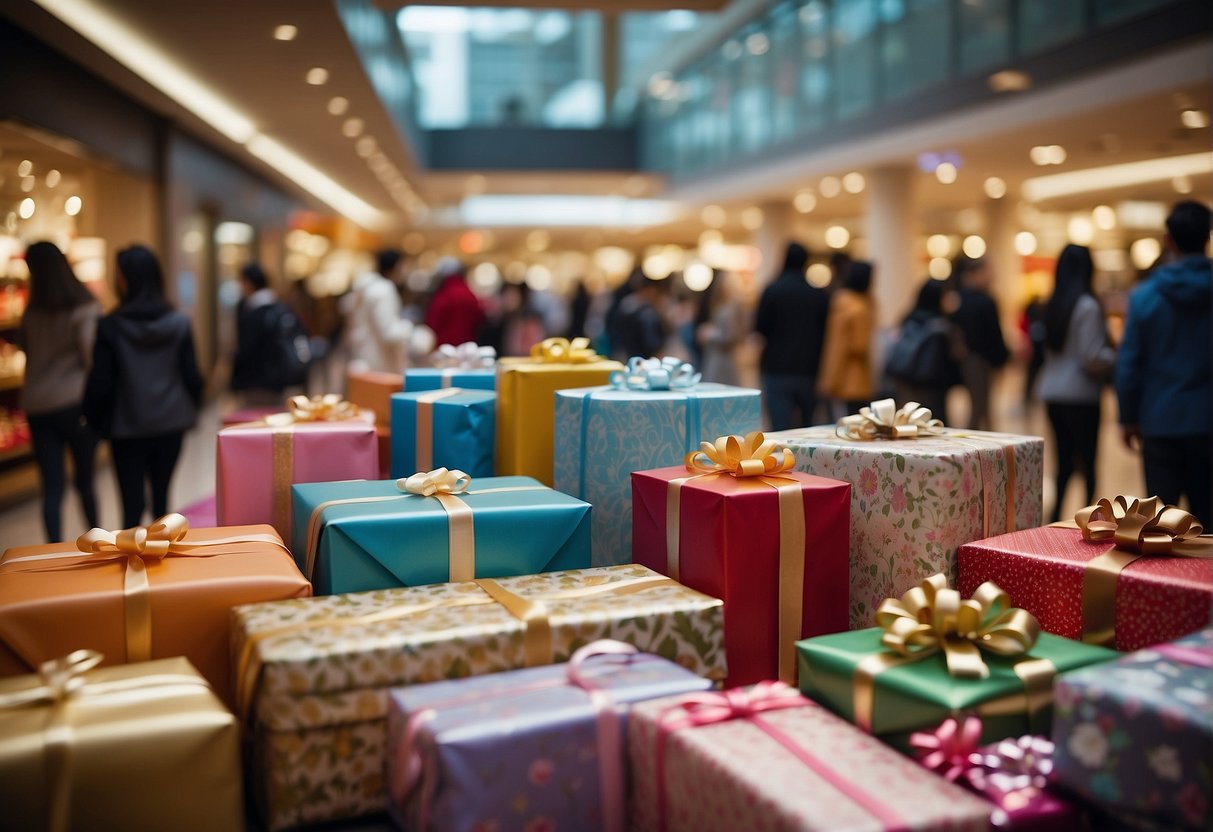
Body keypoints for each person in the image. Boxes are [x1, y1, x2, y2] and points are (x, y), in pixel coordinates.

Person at [83, 245, 203, 527]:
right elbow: (193, 377)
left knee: (131, 506)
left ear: (125, 279)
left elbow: (101, 381)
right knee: (162, 500)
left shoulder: (110, 326)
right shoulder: (179, 323)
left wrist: (93, 421)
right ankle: (164, 559)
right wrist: (190, 408)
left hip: (127, 427)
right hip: (171, 423)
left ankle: (133, 563)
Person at [1116, 200, 1212, 520]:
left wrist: (1128, 417)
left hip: (1159, 420)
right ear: (1207, 238)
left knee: (1160, 522)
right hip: (1207, 420)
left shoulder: (1145, 296)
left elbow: (1129, 363)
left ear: (1168, 241)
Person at [15, 242, 100, 541]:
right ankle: (98, 541)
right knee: (85, 482)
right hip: (74, 402)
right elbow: (91, 357)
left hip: (37, 403)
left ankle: (53, 552)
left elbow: (25, 348)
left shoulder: (31, 312)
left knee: (52, 488)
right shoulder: (83, 305)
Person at [1038, 245, 1116, 522]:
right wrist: (1117, 355)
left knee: (1063, 465)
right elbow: (1091, 356)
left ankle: (1055, 519)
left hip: (1053, 393)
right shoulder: (1087, 305)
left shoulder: (1053, 303)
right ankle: (1090, 524)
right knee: (1089, 465)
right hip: (1081, 395)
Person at [755, 242, 830, 430]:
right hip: (809, 369)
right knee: (807, 428)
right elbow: (825, 332)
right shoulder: (817, 294)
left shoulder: (773, 290)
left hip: (776, 368)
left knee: (780, 429)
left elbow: (760, 328)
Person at [341, 249, 434, 373]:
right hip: (380, 363)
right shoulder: (383, 290)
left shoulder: (367, 288)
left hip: (364, 357)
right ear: (396, 266)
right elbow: (388, 333)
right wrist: (412, 330)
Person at [230, 263, 309, 405]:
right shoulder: (282, 309)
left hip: (258, 385)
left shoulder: (254, 313)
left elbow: (247, 350)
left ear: (248, 283)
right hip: (283, 383)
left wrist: (234, 381)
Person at [886, 279, 963, 425]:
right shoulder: (940, 326)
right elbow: (940, 364)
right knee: (932, 424)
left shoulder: (909, 317)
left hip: (904, 379)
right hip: (930, 387)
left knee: (908, 422)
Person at [950, 255, 1009, 430]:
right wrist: (1001, 358)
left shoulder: (958, 299)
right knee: (980, 404)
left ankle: (987, 443)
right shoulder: (983, 300)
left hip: (971, 358)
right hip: (980, 359)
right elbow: (994, 333)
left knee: (982, 405)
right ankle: (975, 445)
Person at [819, 261, 876, 415]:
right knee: (855, 422)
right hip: (855, 374)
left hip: (835, 370)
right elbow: (860, 344)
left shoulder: (840, 301)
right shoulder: (860, 308)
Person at [696, 271, 748, 385]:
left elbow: (731, 336)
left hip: (723, 358)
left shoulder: (732, 307)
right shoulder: (722, 304)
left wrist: (710, 334)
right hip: (716, 355)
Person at [425, 257, 485, 347]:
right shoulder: (469, 292)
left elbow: (434, 322)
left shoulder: (445, 294)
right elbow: (479, 317)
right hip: (467, 346)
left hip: (444, 346)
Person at [612, 269, 669, 359]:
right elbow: (652, 343)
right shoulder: (647, 314)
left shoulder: (627, 303)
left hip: (627, 353)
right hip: (645, 358)